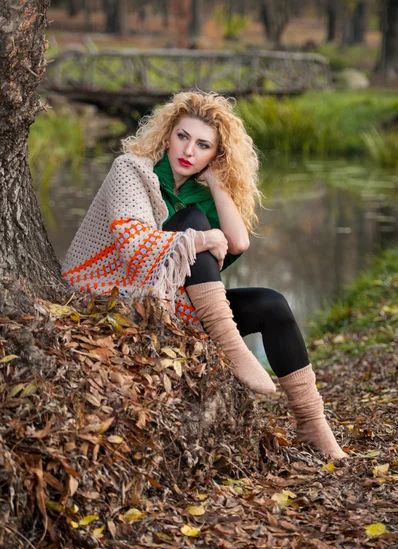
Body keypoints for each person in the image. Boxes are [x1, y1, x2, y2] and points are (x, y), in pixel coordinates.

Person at [62, 91, 346, 459]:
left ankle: (313, 424)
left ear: (216, 155)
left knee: (273, 305)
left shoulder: (199, 193)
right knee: (193, 224)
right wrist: (202, 237)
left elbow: (239, 242)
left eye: (203, 145)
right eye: (182, 136)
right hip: (114, 293)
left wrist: (216, 183)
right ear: (167, 135)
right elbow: (133, 244)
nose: (188, 151)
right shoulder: (132, 170)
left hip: (176, 304)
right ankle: (232, 347)